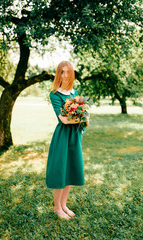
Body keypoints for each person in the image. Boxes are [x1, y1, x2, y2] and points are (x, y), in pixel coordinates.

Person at [46, 61, 89, 220]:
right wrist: (80, 118)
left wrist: (84, 117)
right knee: (60, 171)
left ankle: (64, 205)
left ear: (72, 74)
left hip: (75, 135)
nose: (65, 75)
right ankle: (57, 208)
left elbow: (81, 113)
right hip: (63, 135)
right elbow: (63, 119)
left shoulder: (75, 91)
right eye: (62, 72)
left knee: (70, 169)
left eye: (68, 72)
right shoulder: (55, 94)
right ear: (58, 74)